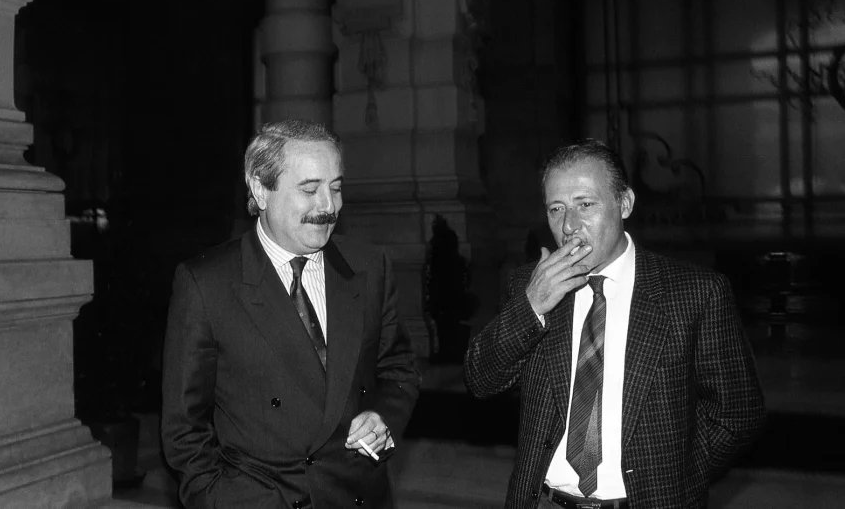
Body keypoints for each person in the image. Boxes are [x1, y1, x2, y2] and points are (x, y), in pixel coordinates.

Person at [464, 139, 764, 509]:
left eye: (585, 204)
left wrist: (676, 476)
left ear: (625, 203)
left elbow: (737, 414)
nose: (569, 225)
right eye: (556, 209)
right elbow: (480, 380)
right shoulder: (531, 285)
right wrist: (531, 306)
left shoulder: (694, 293)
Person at [162, 119, 420, 509]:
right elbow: (184, 430)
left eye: (336, 188)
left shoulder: (369, 266)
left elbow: (399, 370)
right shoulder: (206, 284)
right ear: (260, 189)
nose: (328, 206)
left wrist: (383, 418)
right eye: (310, 189)